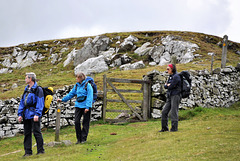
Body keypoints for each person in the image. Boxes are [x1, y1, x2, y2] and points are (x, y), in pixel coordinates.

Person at [57, 72, 93, 144]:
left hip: (86, 106)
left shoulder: (88, 86)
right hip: (78, 105)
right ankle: (78, 139)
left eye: (77, 77)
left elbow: (90, 96)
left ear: (81, 78)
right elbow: (71, 94)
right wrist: (62, 100)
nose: (76, 79)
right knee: (76, 121)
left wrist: (87, 107)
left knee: (85, 122)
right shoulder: (76, 86)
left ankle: (83, 138)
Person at [18, 72, 45, 157]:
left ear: (30, 79)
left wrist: (37, 114)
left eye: (26, 78)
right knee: (27, 133)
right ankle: (28, 152)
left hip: (34, 114)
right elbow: (22, 102)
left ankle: (40, 150)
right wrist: (20, 114)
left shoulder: (38, 89)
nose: (25, 79)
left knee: (37, 132)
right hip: (26, 114)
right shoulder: (26, 89)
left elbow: (40, 102)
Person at [159, 64, 181, 132]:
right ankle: (164, 128)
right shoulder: (171, 76)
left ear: (172, 69)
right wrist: (168, 85)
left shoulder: (176, 76)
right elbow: (166, 86)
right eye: (167, 69)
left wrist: (168, 85)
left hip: (175, 95)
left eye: (168, 69)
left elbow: (170, 86)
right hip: (170, 95)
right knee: (164, 111)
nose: (167, 70)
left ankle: (174, 128)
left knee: (174, 112)